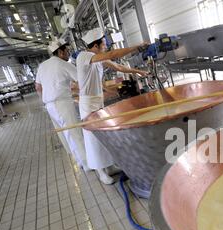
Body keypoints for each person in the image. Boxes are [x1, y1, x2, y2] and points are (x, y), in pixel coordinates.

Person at [77, 27, 149, 185]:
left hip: (97, 100)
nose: (105, 46)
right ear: (95, 46)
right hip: (88, 103)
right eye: (103, 44)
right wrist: (137, 46)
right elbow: (112, 55)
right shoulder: (84, 56)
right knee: (92, 136)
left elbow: (119, 67)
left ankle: (108, 166)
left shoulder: (97, 58)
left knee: (103, 133)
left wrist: (138, 71)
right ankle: (100, 171)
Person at [35, 40, 88, 170]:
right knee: (75, 133)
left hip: (49, 106)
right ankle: (88, 164)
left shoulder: (42, 65)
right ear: (60, 52)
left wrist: (46, 100)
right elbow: (82, 80)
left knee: (66, 134)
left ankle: (80, 161)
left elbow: (38, 87)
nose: (68, 53)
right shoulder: (64, 64)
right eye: (67, 51)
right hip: (62, 104)